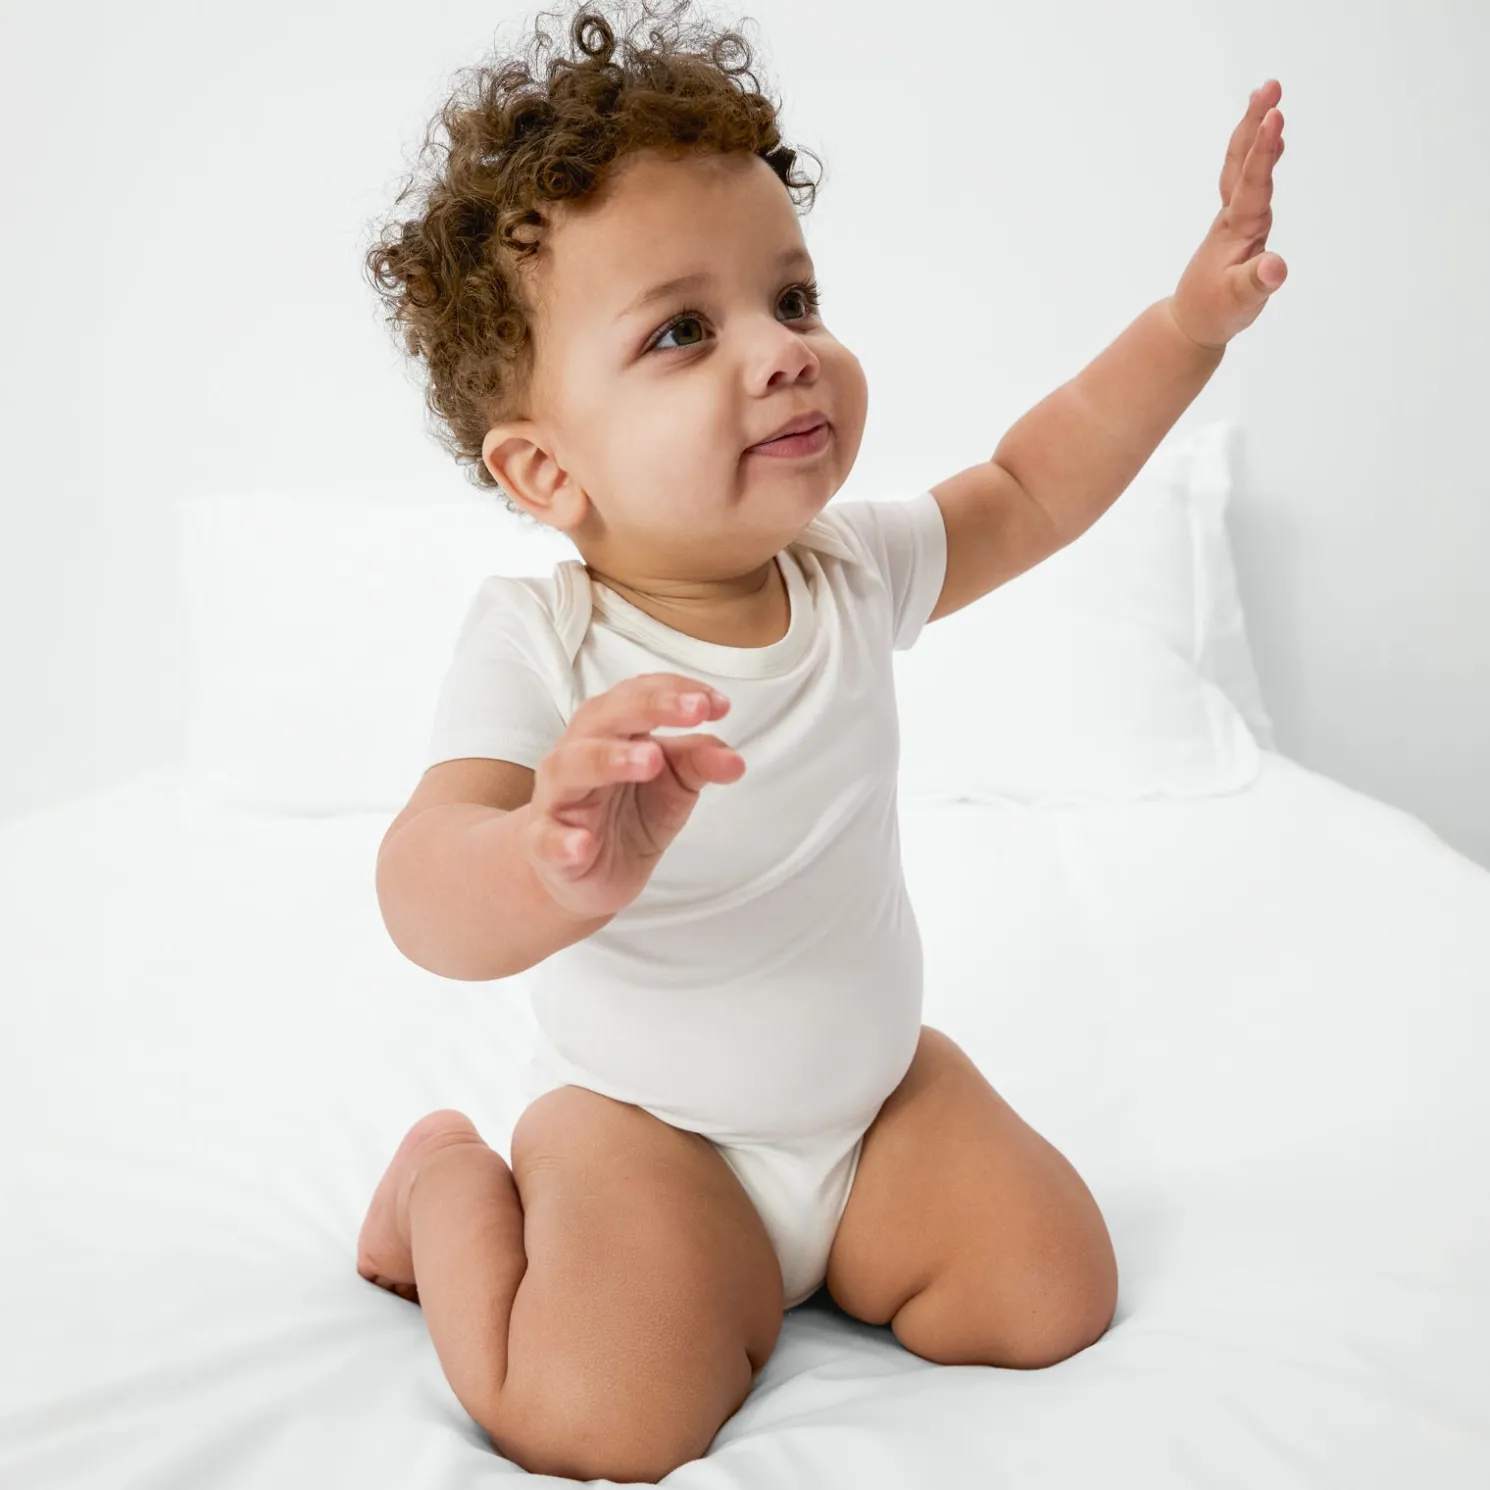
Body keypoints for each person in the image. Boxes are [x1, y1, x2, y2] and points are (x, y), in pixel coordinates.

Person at [357, 1, 1287, 1479]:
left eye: (791, 299)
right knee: (593, 1418)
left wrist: (1183, 329)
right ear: (546, 469)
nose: (782, 353)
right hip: (650, 1131)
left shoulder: (849, 569)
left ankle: (831, 1236)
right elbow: (419, 881)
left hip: (867, 1103)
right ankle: (447, 1188)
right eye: (682, 329)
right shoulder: (541, 642)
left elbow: (1034, 484)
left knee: (1051, 1290)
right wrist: (546, 862)